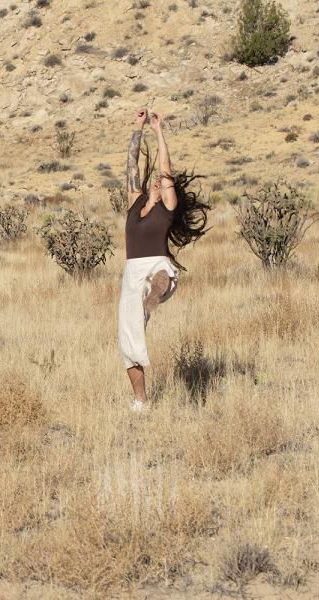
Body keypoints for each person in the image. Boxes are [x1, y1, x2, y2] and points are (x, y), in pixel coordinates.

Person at [119, 108, 210, 412]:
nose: (158, 183)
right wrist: (138, 127)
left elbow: (165, 168)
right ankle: (140, 401)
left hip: (158, 264)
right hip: (132, 274)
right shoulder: (135, 202)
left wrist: (158, 131)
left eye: (162, 183)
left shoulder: (167, 207)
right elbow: (131, 163)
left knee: (160, 276)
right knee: (128, 341)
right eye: (155, 183)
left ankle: (154, 294)